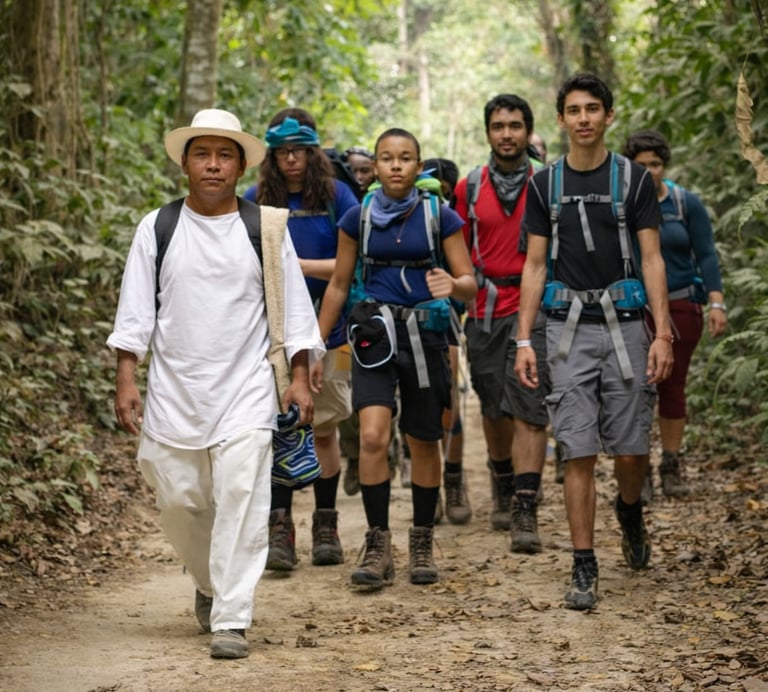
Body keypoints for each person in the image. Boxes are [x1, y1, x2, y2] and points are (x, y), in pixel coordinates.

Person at [107, 109, 324, 658]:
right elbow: (136, 310)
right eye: (202, 154)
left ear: (239, 165)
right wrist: (126, 377)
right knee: (179, 498)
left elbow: (295, 309)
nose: (212, 165)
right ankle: (208, 582)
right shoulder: (158, 227)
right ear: (184, 163)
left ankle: (231, 616)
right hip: (176, 387)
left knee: (241, 495)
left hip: (247, 387)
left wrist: (299, 377)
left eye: (224, 155)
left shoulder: (265, 228)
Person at [514, 73, 674, 610]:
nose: (583, 118)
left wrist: (662, 332)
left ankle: (629, 509)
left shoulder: (634, 181)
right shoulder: (544, 186)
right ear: (560, 119)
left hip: (627, 325)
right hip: (565, 330)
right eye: (574, 110)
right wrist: (523, 339)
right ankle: (584, 563)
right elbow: (534, 266)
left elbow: (652, 258)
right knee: (576, 450)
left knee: (631, 451)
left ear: (608, 116)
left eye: (593, 109)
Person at [315, 128, 477, 588]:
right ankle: (378, 542)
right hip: (372, 336)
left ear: (417, 164)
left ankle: (422, 540)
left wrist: (454, 285)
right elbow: (340, 285)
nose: (395, 166)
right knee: (371, 437)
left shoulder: (440, 217)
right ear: (377, 166)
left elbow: (469, 279)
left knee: (424, 439)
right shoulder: (356, 217)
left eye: (405, 158)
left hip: (424, 336)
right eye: (387, 158)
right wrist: (316, 344)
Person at [243, 108, 359, 573]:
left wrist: (297, 269)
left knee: (326, 425)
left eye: (299, 151)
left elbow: (351, 267)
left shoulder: (339, 196)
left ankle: (326, 526)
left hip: (336, 333)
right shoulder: (255, 199)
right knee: (279, 428)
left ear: (313, 152)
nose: (291, 160)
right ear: (272, 156)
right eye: (282, 152)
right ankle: (280, 528)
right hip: (270, 337)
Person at [452, 94, 550, 551]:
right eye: (498, 126)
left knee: (530, 404)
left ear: (528, 132)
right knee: (494, 405)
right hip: (487, 308)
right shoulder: (470, 187)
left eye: (515, 125)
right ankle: (503, 481)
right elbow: (460, 256)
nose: (507, 134)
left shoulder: (547, 182)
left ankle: (525, 507)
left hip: (538, 304)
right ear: (487, 132)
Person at [622, 129, 727, 499]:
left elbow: (707, 253)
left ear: (664, 165)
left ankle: (670, 462)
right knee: (635, 388)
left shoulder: (685, 203)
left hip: (682, 304)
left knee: (672, 385)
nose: (650, 171)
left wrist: (716, 301)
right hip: (633, 309)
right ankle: (640, 467)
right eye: (641, 165)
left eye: (656, 164)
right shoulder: (621, 204)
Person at [422, 157, 471, 525]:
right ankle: (431, 485)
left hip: (448, 319)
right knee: (422, 408)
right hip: (410, 320)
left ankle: (453, 477)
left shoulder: (450, 220)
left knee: (448, 398)